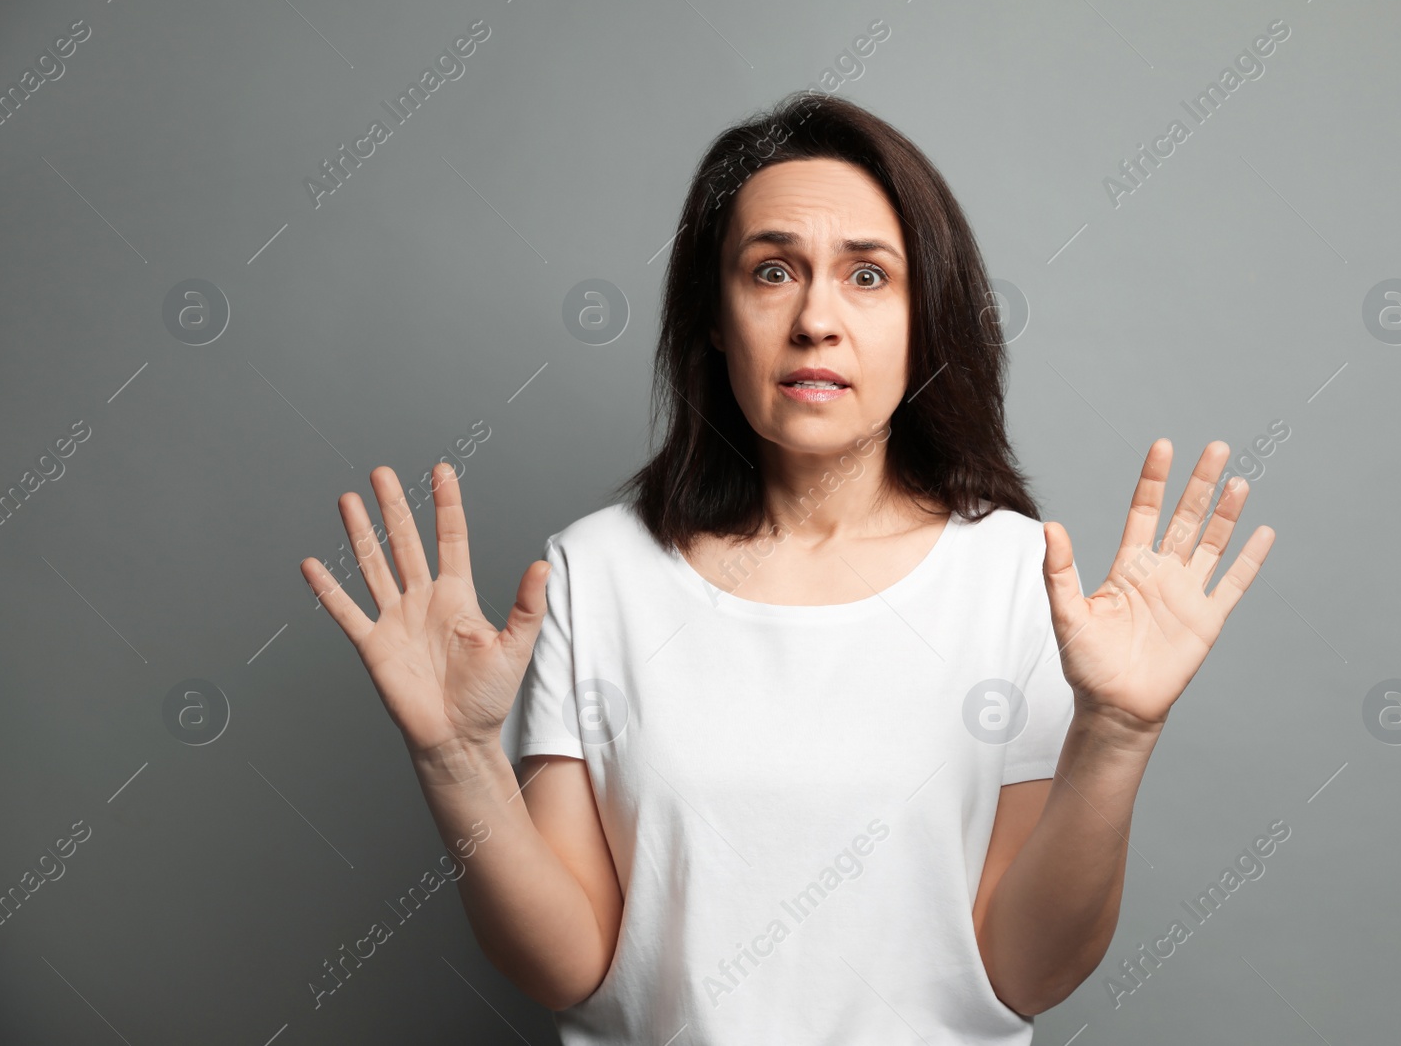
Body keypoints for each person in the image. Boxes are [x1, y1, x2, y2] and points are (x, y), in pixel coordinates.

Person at [301, 91, 1274, 1044]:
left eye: (867, 276)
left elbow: (1025, 970)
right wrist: (455, 759)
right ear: (714, 319)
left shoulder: (1017, 577)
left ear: (921, 320)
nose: (816, 318)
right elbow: (574, 963)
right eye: (772, 271)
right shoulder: (596, 574)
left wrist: (1117, 732)